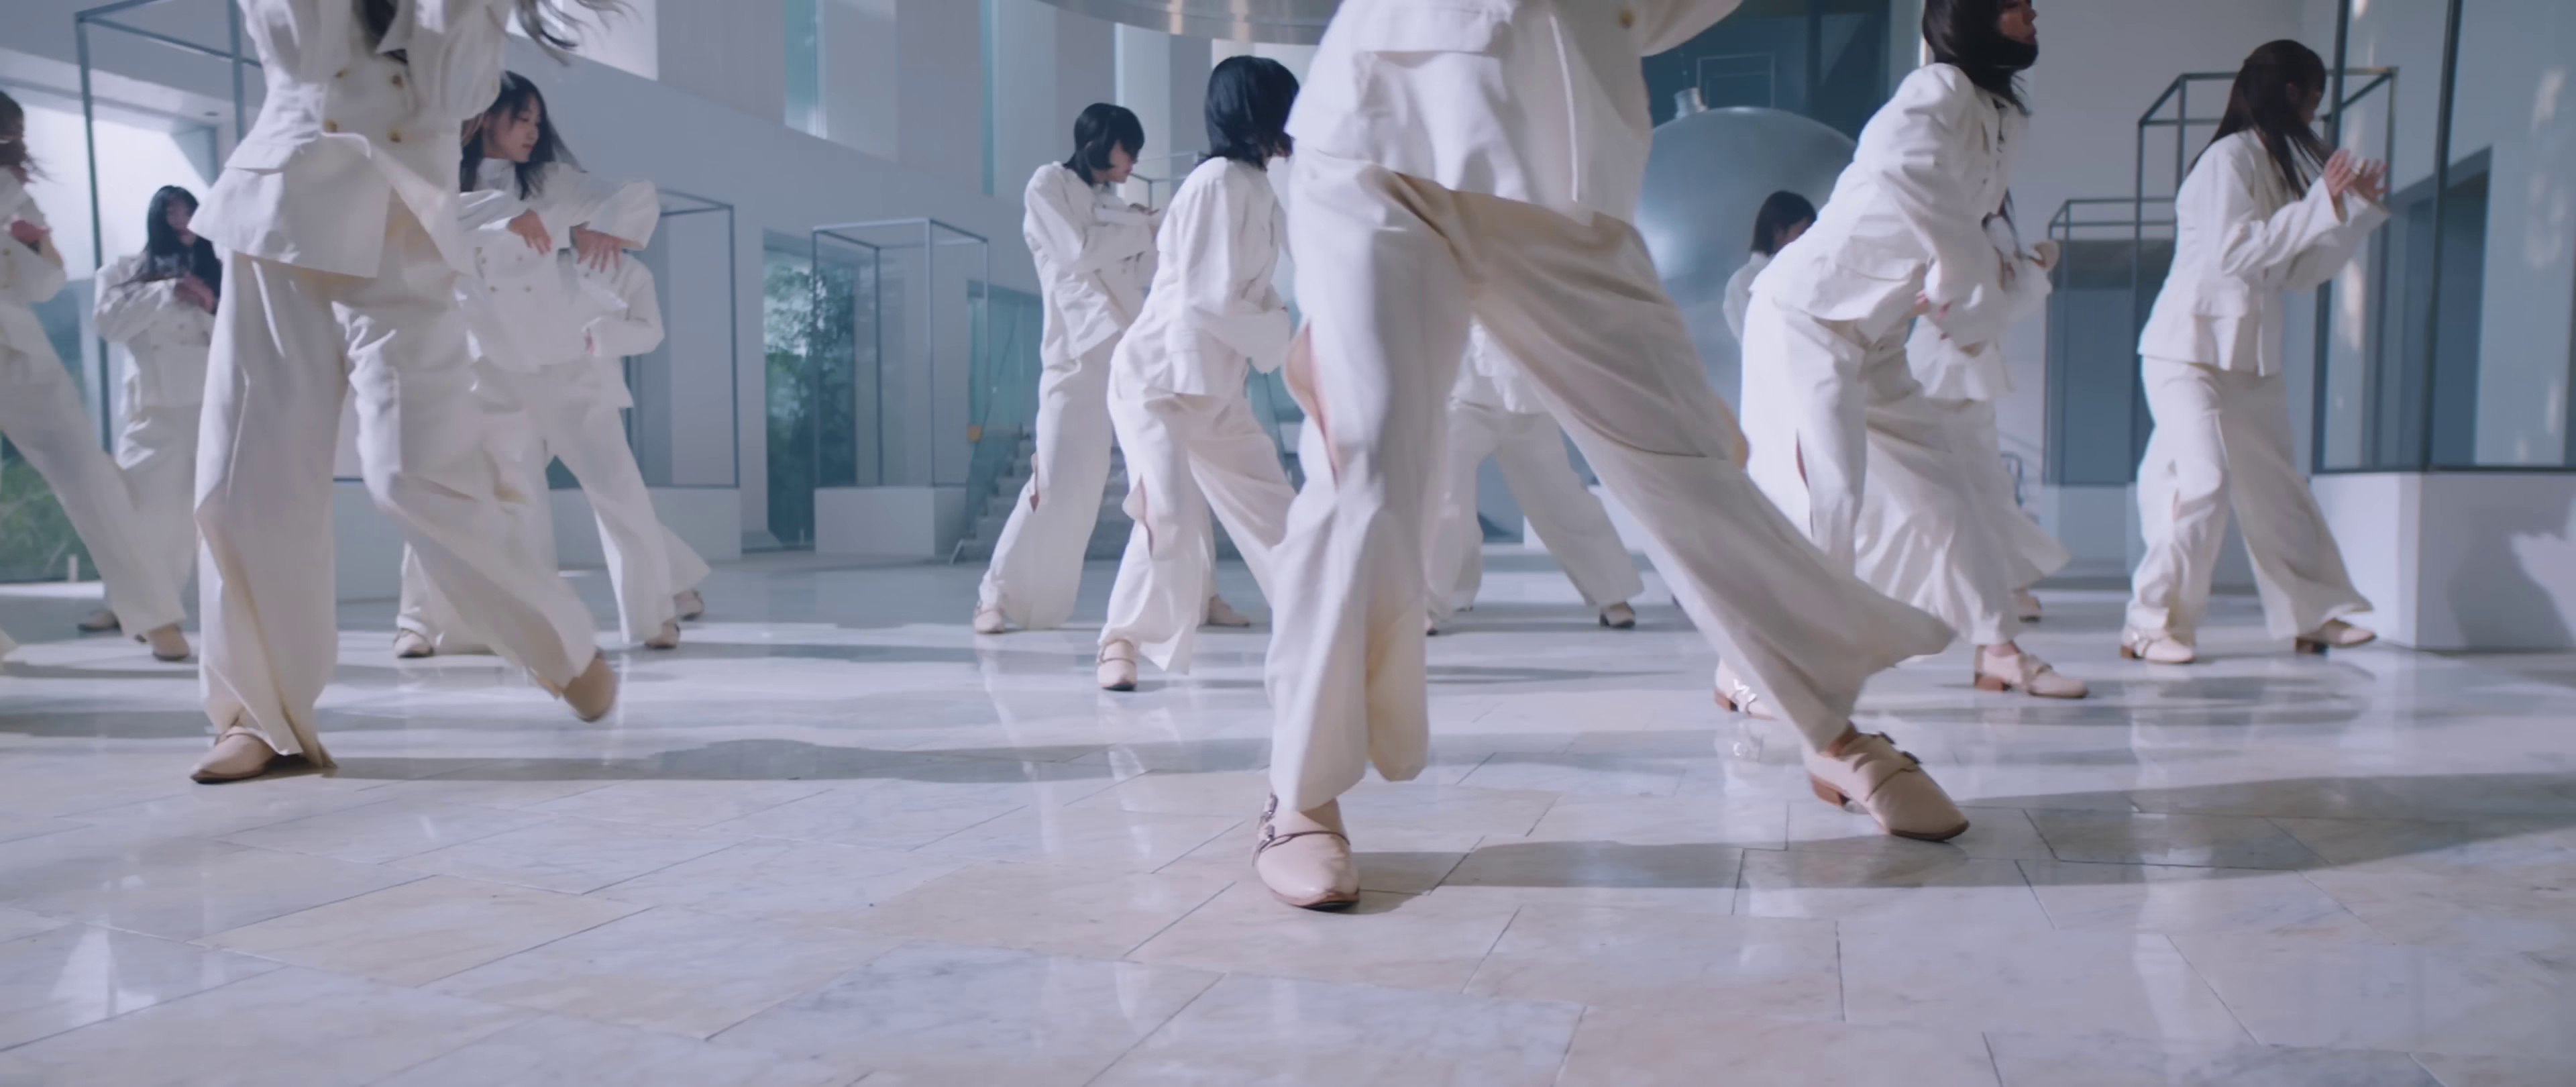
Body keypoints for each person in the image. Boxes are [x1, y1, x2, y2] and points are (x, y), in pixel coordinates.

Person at [1256, 0, 1966, 912]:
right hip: (1382, 117)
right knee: (1373, 468)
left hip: (1557, 160)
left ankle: (1829, 729)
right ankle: (1300, 791)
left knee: (1688, 460)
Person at [185, 0, 621, 784]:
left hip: (406, 235)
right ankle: (258, 718)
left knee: (414, 472)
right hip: (278, 215)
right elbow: (296, 45)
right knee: (248, 489)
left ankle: (561, 644)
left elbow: (460, 90)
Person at [1739, 0, 2083, 703]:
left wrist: (1983, 278)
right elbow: (1898, 162)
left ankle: (1998, 649)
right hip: (1810, 317)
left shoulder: (2004, 116)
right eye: (2012, 4)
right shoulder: (1939, 86)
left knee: (1947, 490)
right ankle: (1756, 672)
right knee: (1827, 499)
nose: (2032, 11)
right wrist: (1960, 270)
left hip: (1878, 336)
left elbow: (1962, 225)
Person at [393, 72, 705, 657]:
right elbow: (423, 222)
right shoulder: (442, 180)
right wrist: (500, 213)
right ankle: (422, 623)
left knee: (617, 484)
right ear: (484, 116)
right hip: (485, 363)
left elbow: (635, 193)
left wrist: (607, 228)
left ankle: (653, 615)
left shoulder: (553, 183)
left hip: (560, 355)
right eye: (522, 118)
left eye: (538, 121)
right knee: (459, 490)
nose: (534, 131)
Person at [2125, 40, 2387, 664]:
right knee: (2203, 482)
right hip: (2187, 351)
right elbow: (2234, 254)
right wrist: (2322, 204)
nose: (2315, 114)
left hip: (2249, 360)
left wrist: (2349, 212)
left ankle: (2310, 614)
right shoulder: (2227, 159)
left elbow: (2298, 271)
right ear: (2290, 93)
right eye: (2314, 98)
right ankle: (2151, 623)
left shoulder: (2274, 169)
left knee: (2277, 488)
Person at [973, 104, 1251, 638]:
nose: (1134, 162)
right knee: (1056, 480)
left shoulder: (1113, 206)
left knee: (1173, 469)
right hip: (1073, 358)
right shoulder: (1047, 185)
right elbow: (1077, 252)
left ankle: (1202, 595)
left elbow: (1142, 267)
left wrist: (1152, 228)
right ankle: (997, 596)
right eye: (1130, 149)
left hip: (1131, 352)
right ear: (1099, 143)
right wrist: (1140, 228)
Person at [1095, 56, 1303, 692]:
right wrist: (1280, 330)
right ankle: (1121, 640)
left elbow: (1250, 291)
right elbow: (1208, 299)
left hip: (1215, 387)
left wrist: (1275, 321)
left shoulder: (1256, 186)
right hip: (1160, 380)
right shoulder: (1217, 182)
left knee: (1277, 512)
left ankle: (1323, 625)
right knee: (1170, 513)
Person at [0, 93, 191, 663]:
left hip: (17, 347)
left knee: (90, 474)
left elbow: (44, 286)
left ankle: (155, 615)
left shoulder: (12, 190)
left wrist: (30, 243)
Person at [1872, 205, 2069, 627]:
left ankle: (2000, 586)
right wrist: (2034, 268)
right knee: (1949, 485)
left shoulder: (1990, 231)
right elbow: (1972, 302)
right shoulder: (1953, 226)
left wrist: (2033, 268)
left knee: (1978, 483)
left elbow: (1999, 302)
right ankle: (1987, 588)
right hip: (1944, 368)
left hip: (1963, 370)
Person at [1425, 323, 1644, 635]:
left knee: (1561, 497)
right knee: (1445, 495)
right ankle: (1428, 602)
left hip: (1527, 395)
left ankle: (1612, 595)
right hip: (1460, 393)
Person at [95, 186, 221, 612]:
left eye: (189, 212)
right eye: (172, 212)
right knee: (139, 508)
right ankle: (129, 609)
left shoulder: (219, 270)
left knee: (215, 513)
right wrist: (167, 290)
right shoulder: (121, 271)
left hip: (209, 403)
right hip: (150, 405)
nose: (182, 221)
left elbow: (241, 342)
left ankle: (226, 609)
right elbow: (109, 325)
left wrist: (207, 303)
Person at [1721, 191, 1816, 344]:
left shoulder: (1806, 273)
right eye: (1803, 233)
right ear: (1778, 232)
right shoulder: (1744, 282)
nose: (1809, 241)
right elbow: (1755, 343)